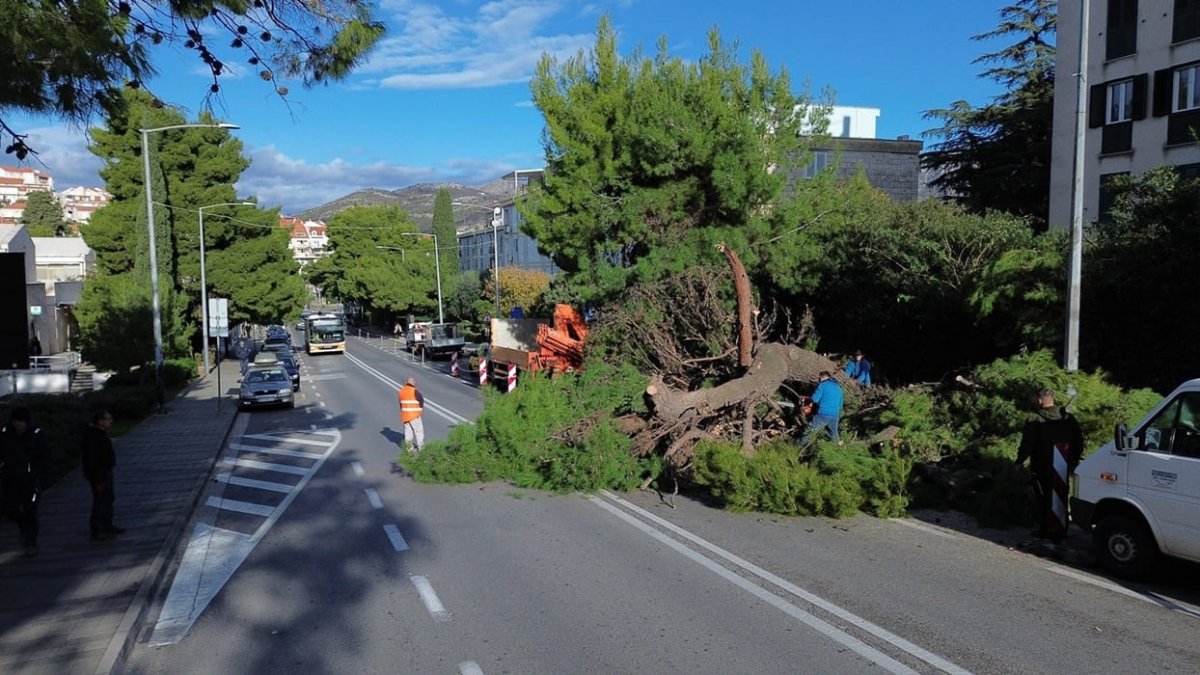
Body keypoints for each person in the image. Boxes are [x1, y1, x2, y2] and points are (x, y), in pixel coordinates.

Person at [1015, 388, 1084, 543]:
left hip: (1041, 465)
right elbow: (1078, 441)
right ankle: (1061, 529)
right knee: (1060, 496)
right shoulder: (1068, 418)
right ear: (1053, 400)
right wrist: (1074, 458)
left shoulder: (1035, 419)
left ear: (1040, 401)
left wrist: (1019, 461)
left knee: (1043, 497)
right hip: (1062, 464)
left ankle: (1046, 530)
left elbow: (1028, 444)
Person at [1, 408, 48, 557]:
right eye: (16, 421)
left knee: (30, 510)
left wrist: (38, 475)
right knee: (10, 509)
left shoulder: (36, 435)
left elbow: (44, 456)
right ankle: (23, 528)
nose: (18, 424)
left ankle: (31, 542)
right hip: (9, 479)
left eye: (21, 421)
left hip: (30, 480)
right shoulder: (4, 434)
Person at [81, 409, 124, 541]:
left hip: (105, 471)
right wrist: (97, 477)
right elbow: (91, 459)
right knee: (100, 500)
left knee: (108, 498)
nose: (111, 421)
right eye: (108, 419)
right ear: (100, 422)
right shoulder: (93, 437)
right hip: (98, 473)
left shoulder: (100, 434)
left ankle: (107, 524)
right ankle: (97, 528)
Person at [802, 371, 844, 445]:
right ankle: (838, 447)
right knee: (834, 435)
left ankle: (797, 446)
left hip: (823, 413)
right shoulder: (838, 387)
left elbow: (815, 399)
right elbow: (841, 404)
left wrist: (806, 398)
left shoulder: (823, 385)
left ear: (823, 377)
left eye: (819, 378)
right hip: (835, 415)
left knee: (809, 431)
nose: (819, 380)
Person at [398, 377, 425, 452]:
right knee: (419, 432)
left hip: (405, 415)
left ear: (406, 383)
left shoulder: (401, 391)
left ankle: (409, 449)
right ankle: (421, 449)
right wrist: (419, 410)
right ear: (413, 384)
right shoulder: (414, 391)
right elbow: (421, 401)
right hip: (414, 415)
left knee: (408, 433)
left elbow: (400, 404)